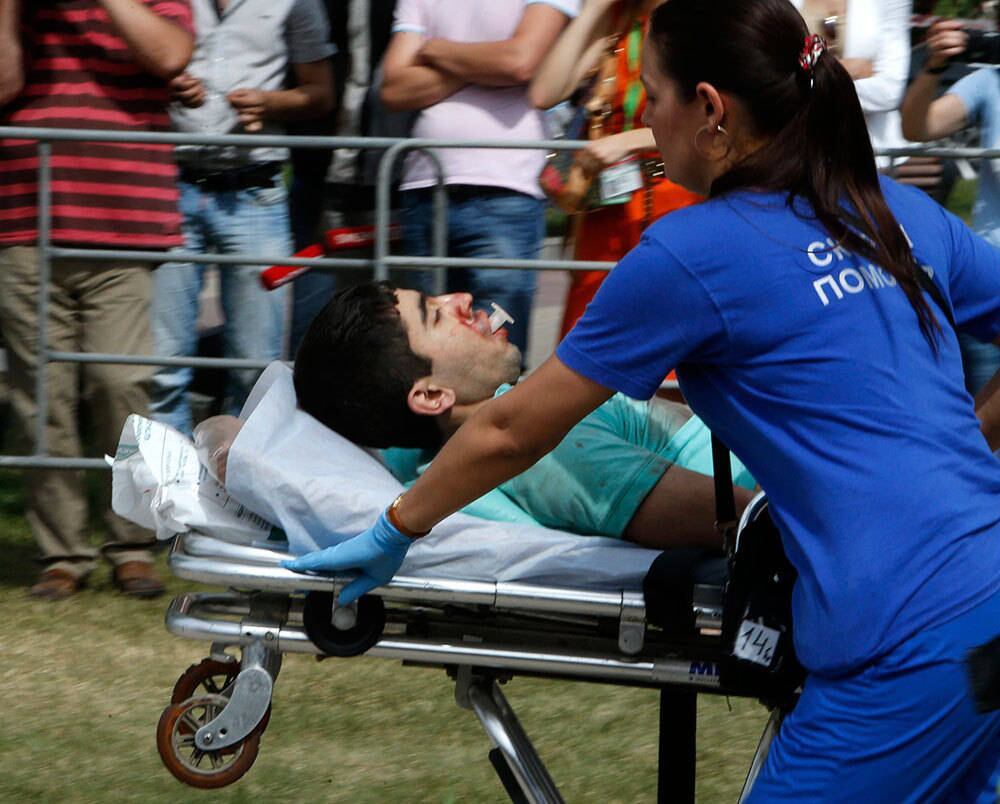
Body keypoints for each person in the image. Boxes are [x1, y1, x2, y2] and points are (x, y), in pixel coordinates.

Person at [285, 0, 1000, 798]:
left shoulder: (695, 252)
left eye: (653, 98)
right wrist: (973, 449)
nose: (648, 123)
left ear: (709, 109)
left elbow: (516, 430)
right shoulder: (892, 210)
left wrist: (395, 528)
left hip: (905, 633)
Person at [293, 281, 756, 548]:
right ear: (433, 396)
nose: (460, 298)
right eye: (436, 315)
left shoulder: (436, 454)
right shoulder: (542, 451)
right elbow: (754, 521)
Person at [0, 0, 194, 600]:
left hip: (123, 223)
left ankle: (131, 545)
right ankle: (62, 554)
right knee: (40, 396)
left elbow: (170, 54)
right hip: (23, 222)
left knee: (120, 381)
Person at [151, 0, 335, 436]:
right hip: (171, 184)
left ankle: (235, 492)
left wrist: (269, 103)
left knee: (254, 369)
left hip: (257, 191)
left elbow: (320, 92)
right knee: (161, 367)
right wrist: (166, 83)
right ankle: (159, 497)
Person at [380, 0, 580, 353]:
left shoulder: (433, 45)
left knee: (496, 347)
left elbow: (520, 62)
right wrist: (486, 64)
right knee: (421, 352)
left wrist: (434, 48)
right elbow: (394, 88)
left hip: (506, 192)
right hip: (425, 190)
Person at [528, 0, 701, 335]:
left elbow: (711, 118)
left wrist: (630, 140)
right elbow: (544, 92)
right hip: (605, 211)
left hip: (676, 203)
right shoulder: (617, 19)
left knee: (673, 350)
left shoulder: (702, 18)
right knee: (591, 347)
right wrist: (593, 11)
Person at [900, 17, 1000, 396]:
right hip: (992, 287)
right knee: (983, 441)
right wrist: (933, 65)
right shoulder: (990, 81)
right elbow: (917, 127)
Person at [793, 0, 913, 170]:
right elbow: (768, 76)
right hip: (790, 151)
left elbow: (890, 92)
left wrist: (806, 81)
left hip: (867, 160)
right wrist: (852, 71)